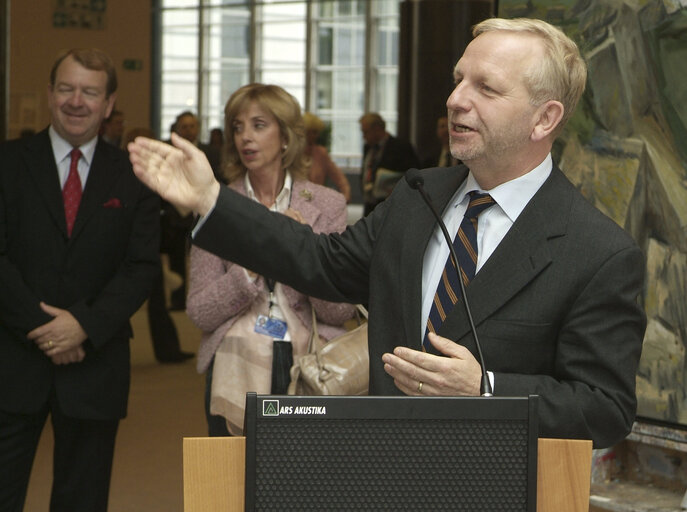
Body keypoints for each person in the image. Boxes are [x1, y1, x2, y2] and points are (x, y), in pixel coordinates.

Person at [129, 18, 647, 449]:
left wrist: (486, 390)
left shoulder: (598, 252)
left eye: (485, 88)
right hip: (382, 465)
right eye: (458, 79)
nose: (456, 100)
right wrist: (210, 201)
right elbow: (322, 262)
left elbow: (605, 408)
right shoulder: (420, 194)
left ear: (544, 119)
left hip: (492, 484)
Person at [0, 48, 159, 511]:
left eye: (89, 92)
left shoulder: (135, 177)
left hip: (96, 365)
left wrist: (83, 325)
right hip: (12, 361)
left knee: (82, 501)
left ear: (108, 104)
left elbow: (141, 267)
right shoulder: (8, 163)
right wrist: (44, 328)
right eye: (66, 89)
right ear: (50, 95)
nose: (76, 101)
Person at [184, 84, 355, 435]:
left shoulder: (326, 204)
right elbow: (200, 312)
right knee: (232, 484)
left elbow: (340, 311)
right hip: (235, 358)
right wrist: (255, 263)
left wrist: (303, 249)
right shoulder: (217, 207)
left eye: (259, 125)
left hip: (311, 359)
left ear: (286, 137)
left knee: (303, 485)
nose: (245, 137)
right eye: (238, 126)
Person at [124, 127, 193, 363]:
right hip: (134, 245)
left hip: (146, 244)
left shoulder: (150, 170)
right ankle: (167, 350)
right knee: (151, 301)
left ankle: (168, 350)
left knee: (156, 301)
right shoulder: (125, 170)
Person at [359, 112, 419, 215]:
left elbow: (413, 173)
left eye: (366, 132)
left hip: (391, 205)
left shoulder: (400, 147)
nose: (364, 137)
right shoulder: (368, 148)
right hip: (370, 205)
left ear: (377, 129)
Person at [303, 112, 351, 202]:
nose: (316, 136)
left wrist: (346, 193)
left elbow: (338, 176)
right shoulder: (292, 154)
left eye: (317, 132)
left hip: (317, 204)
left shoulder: (321, 153)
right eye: (313, 132)